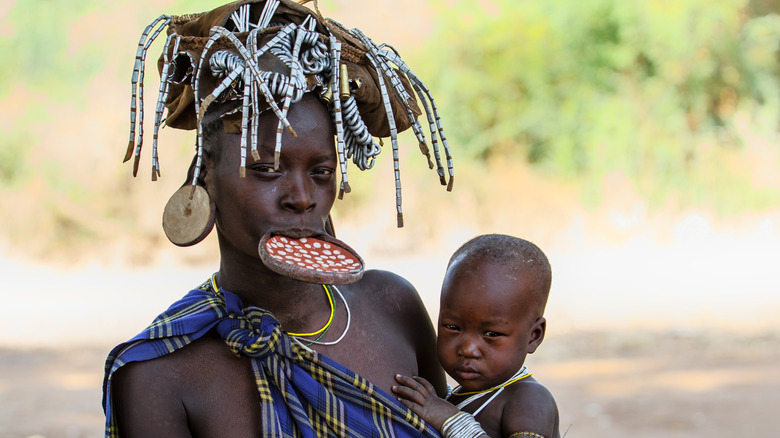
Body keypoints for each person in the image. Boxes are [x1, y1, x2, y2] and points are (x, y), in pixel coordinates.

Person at [102, 1, 454, 436]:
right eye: (267, 169)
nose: (302, 198)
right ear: (205, 175)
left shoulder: (392, 306)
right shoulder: (158, 374)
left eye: (322, 173)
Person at [392, 234, 560, 438]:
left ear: (533, 336)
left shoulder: (530, 399)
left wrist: (451, 420)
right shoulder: (458, 397)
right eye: (452, 327)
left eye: (492, 334)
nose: (468, 349)